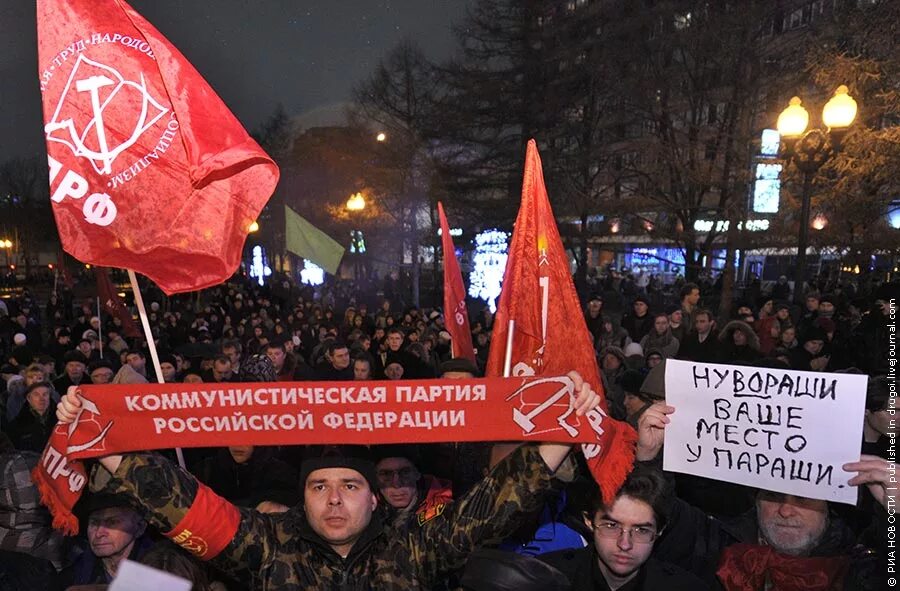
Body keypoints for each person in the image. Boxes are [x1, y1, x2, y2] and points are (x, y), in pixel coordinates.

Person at [55, 370, 601, 589]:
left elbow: (492, 508)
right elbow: (184, 505)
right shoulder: (267, 547)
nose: (334, 499)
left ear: (374, 499)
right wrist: (102, 436)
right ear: (303, 498)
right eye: (319, 487)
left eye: (350, 486)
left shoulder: (415, 548)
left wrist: (565, 425)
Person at [632, 403, 890, 590]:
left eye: (803, 498)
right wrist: (648, 460)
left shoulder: (861, 566)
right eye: (773, 495)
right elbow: (659, 516)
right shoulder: (716, 547)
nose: (786, 511)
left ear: (827, 505)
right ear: (755, 500)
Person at [541, 464, 707, 591]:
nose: (625, 544)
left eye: (641, 530)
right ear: (589, 521)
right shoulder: (543, 579)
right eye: (611, 526)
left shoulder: (686, 587)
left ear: (660, 530)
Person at [68, 494, 153, 585]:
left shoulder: (159, 570)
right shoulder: (73, 576)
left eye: (112, 522)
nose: (99, 533)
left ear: (140, 528)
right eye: (94, 523)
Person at [8, 382, 57, 452]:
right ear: (29, 398)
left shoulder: (61, 420)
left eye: (45, 394)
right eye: (36, 395)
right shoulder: (16, 425)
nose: (41, 398)